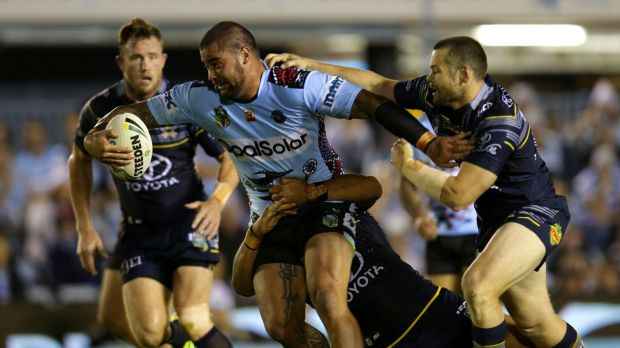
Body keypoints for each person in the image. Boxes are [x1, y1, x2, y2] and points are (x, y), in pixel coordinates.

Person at [81, 21, 472, 348]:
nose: (211, 75)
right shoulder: (198, 99)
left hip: (324, 203)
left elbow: (372, 103)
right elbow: (135, 113)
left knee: (325, 293)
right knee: (280, 327)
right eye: (206, 66)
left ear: (245, 56)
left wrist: (428, 143)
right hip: (269, 215)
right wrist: (96, 137)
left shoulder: (296, 86)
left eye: (216, 64)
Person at [267, 37, 582, 348]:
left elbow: (459, 195)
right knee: (536, 324)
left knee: (478, 285)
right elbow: (379, 84)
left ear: (464, 74)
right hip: (497, 224)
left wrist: (409, 167)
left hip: (534, 212)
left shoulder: (499, 123)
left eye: (436, 70)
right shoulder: (435, 93)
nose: (428, 78)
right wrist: (312, 66)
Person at [68, 17, 238, 348]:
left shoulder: (185, 104)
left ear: (163, 60)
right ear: (121, 62)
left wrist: (217, 201)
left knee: (192, 316)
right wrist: (84, 227)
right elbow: (79, 161)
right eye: (136, 57)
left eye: (152, 56)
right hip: (139, 230)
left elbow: (229, 157)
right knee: (143, 333)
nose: (145, 65)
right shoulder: (101, 109)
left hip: (189, 220)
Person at [231, 176, 533, 348]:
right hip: (384, 342)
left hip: (431, 309)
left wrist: (311, 191)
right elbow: (242, 285)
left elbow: (372, 187)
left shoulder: (335, 204)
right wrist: (255, 234)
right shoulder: (275, 240)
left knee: (522, 337)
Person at [399, 113, 478, 294]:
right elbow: (406, 182)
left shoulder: (478, 123)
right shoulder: (418, 130)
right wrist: (419, 216)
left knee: (479, 301)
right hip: (439, 232)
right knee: (445, 305)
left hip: (480, 232)